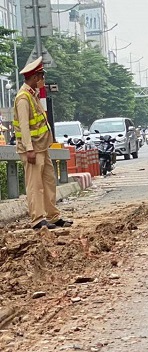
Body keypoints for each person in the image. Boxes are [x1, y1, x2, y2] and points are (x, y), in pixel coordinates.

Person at [13, 57, 72, 230]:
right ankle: (38, 219)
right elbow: (24, 127)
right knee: (35, 185)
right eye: (41, 76)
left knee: (48, 181)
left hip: (42, 147)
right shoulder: (23, 98)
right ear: (34, 78)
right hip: (32, 149)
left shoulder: (33, 95)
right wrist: (29, 149)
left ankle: (53, 216)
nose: (43, 80)